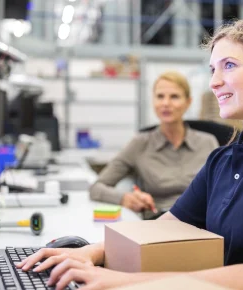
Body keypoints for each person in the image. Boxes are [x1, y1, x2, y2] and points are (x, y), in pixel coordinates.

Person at [17, 20, 243, 290]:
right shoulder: (225, 159)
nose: (215, 82)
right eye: (212, 70)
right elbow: (167, 227)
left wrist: (127, 281)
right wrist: (92, 251)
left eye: (229, 66)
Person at [89, 71, 219, 218]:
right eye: (160, 96)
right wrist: (125, 198)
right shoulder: (139, 144)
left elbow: (223, 190)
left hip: (203, 220)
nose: (166, 103)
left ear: (188, 102)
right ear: (153, 101)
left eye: (174, 97)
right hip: (160, 220)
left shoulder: (208, 142)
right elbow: (96, 188)